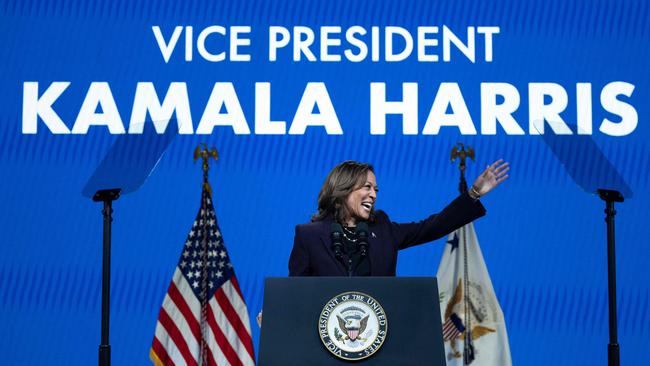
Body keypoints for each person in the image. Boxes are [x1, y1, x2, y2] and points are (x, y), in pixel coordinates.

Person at [288, 159, 509, 276]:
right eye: (367, 187)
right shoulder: (309, 235)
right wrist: (277, 310)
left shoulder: (382, 228)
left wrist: (473, 194)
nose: (373, 194)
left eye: (376, 189)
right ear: (344, 189)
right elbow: (295, 291)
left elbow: (431, 227)